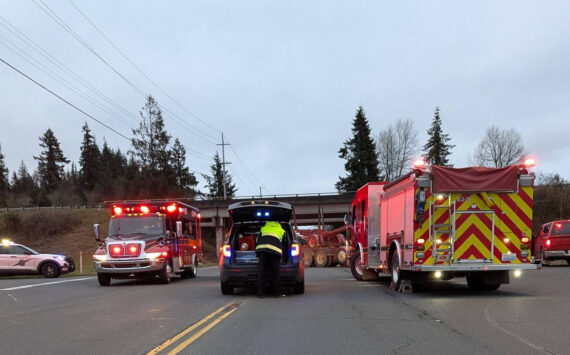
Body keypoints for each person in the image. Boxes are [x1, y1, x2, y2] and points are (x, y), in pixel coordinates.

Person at [256, 221, 285, 298]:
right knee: (275, 272)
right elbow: (284, 243)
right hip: (274, 251)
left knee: (262, 272)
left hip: (263, 250)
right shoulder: (281, 230)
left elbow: (257, 240)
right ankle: (276, 293)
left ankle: (260, 293)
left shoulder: (263, 228)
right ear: (278, 224)